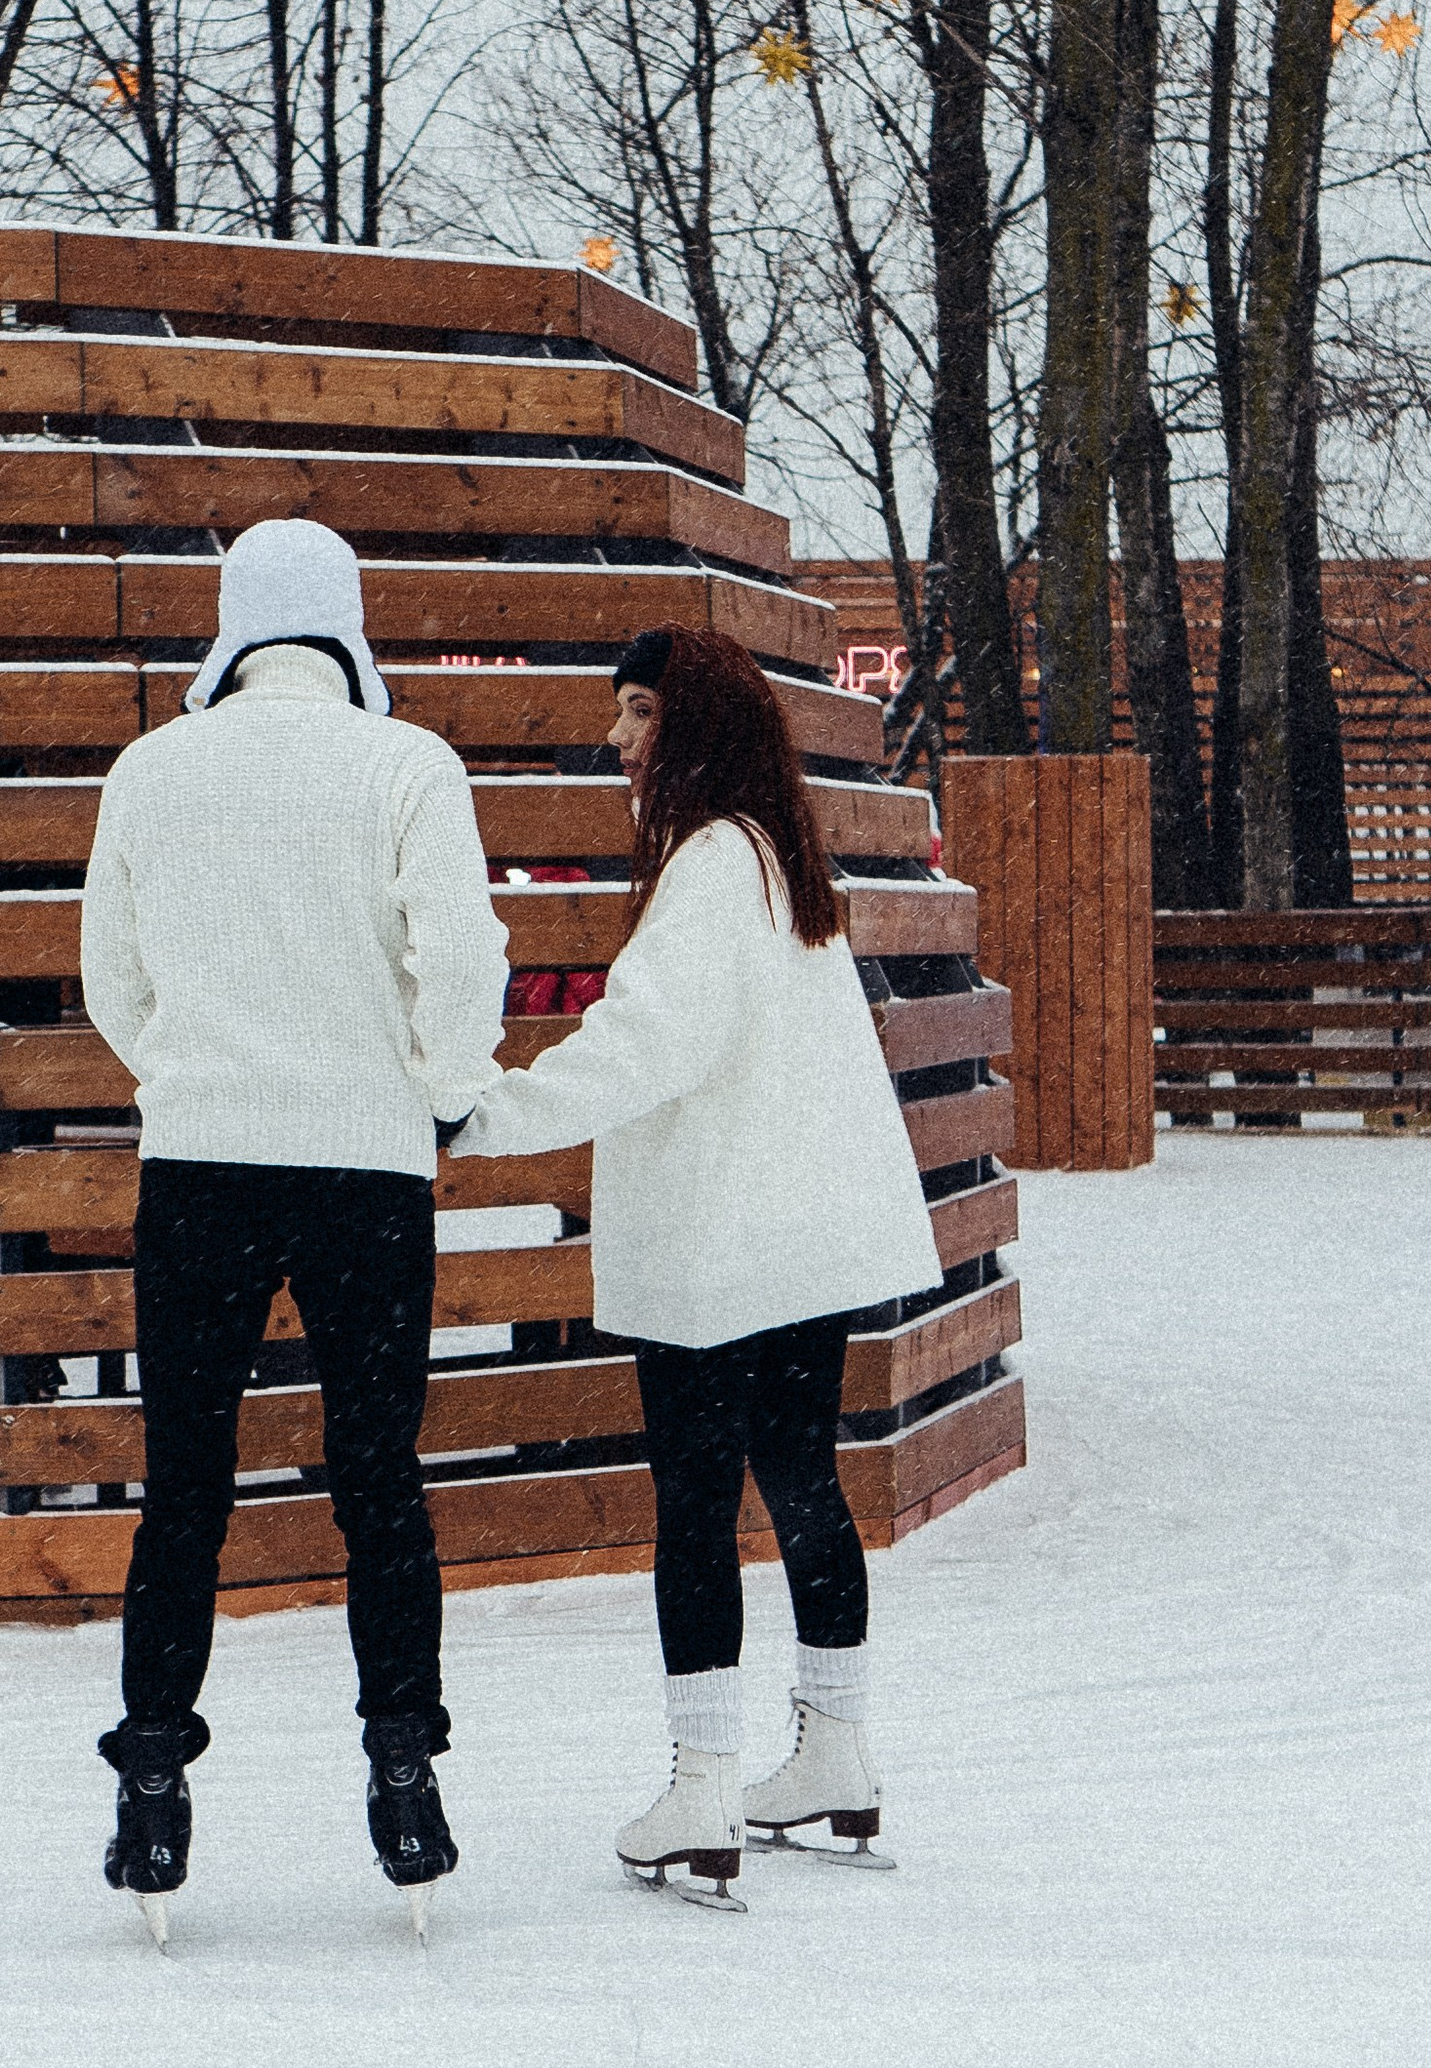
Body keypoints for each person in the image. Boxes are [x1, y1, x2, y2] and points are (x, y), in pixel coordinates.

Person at [453, 626, 940, 1902]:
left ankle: (704, 1784)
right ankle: (833, 1750)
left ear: (697, 725)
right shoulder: (774, 855)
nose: (616, 739)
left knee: (695, 1503)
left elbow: (644, 1046)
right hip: (795, 1237)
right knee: (802, 1479)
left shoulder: (714, 862)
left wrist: (488, 1114)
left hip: (723, 1242)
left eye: (638, 712)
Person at [79, 518, 509, 1940]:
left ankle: (152, 1786)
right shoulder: (407, 766)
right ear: (346, 621)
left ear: (232, 623)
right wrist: (439, 1093)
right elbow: (461, 954)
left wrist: (188, 1073)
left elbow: (110, 976)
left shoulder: (151, 769)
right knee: (378, 1480)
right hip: (364, 1172)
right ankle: (405, 1775)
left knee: (184, 1490)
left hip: (199, 1166)